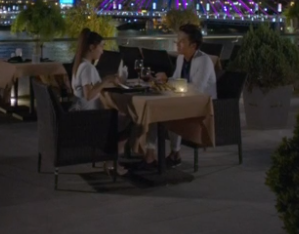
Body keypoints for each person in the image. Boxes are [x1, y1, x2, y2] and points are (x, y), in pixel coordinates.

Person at [147, 23, 217, 168]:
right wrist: (163, 81)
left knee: (169, 113)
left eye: (182, 41)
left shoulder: (204, 61)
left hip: (203, 106)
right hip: (184, 101)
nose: (177, 44)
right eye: (177, 40)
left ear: (193, 45)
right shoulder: (181, 59)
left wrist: (168, 81)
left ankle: (175, 153)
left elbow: (197, 88)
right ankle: (150, 154)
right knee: (153, 111)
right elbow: (176, 81)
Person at [70, 28, 130, 174]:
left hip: (84, 113)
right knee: (131, 119)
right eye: (101, 47)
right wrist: (105, 80)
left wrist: (106, 81)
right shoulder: (87, 68)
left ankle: (111, 159)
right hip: (93, 117)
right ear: (92, 47)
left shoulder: (79, 65)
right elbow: (89, 95)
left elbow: (90, 90)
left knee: (122, 116)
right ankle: (112, 161)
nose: (102, 51)